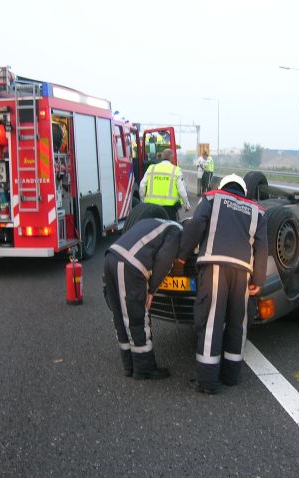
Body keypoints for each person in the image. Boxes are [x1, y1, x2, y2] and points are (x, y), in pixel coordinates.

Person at [177, 174, 268, 394]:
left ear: (223, 186)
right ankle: (231, 376)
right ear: (243, 191)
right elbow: (262, 247)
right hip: (243, 271)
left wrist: (181, 256)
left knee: (211, 321)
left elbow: (197, 224)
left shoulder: (212, 197)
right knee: (238, 322)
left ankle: (207, 381)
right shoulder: (258, 210)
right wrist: (259, 280)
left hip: (215, 265)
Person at [103, 217, 183, 379]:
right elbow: (164, 260)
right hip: (130, 265)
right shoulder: (177, 231)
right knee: (137, 316)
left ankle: (129, 366)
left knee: (120, 315)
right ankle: (144, 368)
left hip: (110, 257)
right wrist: (152, 290)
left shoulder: (155, 222)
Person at [139, 148, 191, 220]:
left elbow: (142, 185)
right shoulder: (176, 170)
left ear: (162, 157)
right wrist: (186, 205)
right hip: (169, 208)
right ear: (172, 158)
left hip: (151, 206)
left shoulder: (151, 168)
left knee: (151, 228)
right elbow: (182, 190)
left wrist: (143, 200)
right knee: (170, 228)